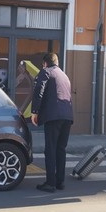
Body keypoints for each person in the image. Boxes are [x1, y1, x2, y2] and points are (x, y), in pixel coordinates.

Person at [31, 53, 74, 193]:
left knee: (50, 150)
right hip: (67, 117)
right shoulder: (64, 75)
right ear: (57, 62)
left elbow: (39, 90)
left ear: (45, 63)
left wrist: (34, 111)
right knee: (61, 149)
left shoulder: (46, 71)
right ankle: (60, 182)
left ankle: (50, 183)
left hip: (53, 117)